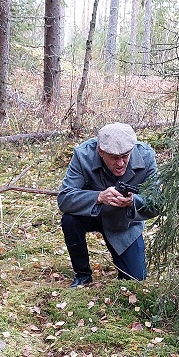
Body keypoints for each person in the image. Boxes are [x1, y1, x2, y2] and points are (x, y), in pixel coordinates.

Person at [57, 122, 160, 286]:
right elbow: (64, 199)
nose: (120, 164)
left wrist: (133, 202)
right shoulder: (83, 154)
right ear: (100, 151)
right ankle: (82, 275)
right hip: (90, 215)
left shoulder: (146, 156)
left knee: (135, 280)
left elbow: (157, 202)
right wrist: (98, 197)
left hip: (124, 224)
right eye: (114, 158)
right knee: (69, 219)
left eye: (125, 156)